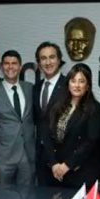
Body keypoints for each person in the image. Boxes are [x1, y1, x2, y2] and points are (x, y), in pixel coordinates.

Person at [40, 63, 100, 188]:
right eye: (73, 81)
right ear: (68, 83)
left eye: (81, 81)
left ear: (88, 86)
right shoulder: (56, 104)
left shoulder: (94, 109)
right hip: (54, 171)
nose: (77, 85)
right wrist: (54, 164)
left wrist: (67, 165)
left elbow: (90, 141)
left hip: (78, 172)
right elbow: (45, 133)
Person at [0, 50, 35, 186]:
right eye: (6, 63)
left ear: (20, 67)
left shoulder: (30, 89)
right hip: (3, 158)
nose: (10, 67)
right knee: (3, 195)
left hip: (27, 156)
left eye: (14, 63)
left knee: (28, 195)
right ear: (1, 67)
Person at [34, 42, 68, 185]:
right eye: (43, 58)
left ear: (59, 60)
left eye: (52, 57)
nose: (48, 62)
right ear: (39, 63)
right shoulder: (36, 88)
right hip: (41, 158)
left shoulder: (69, 86)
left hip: (62, 162)